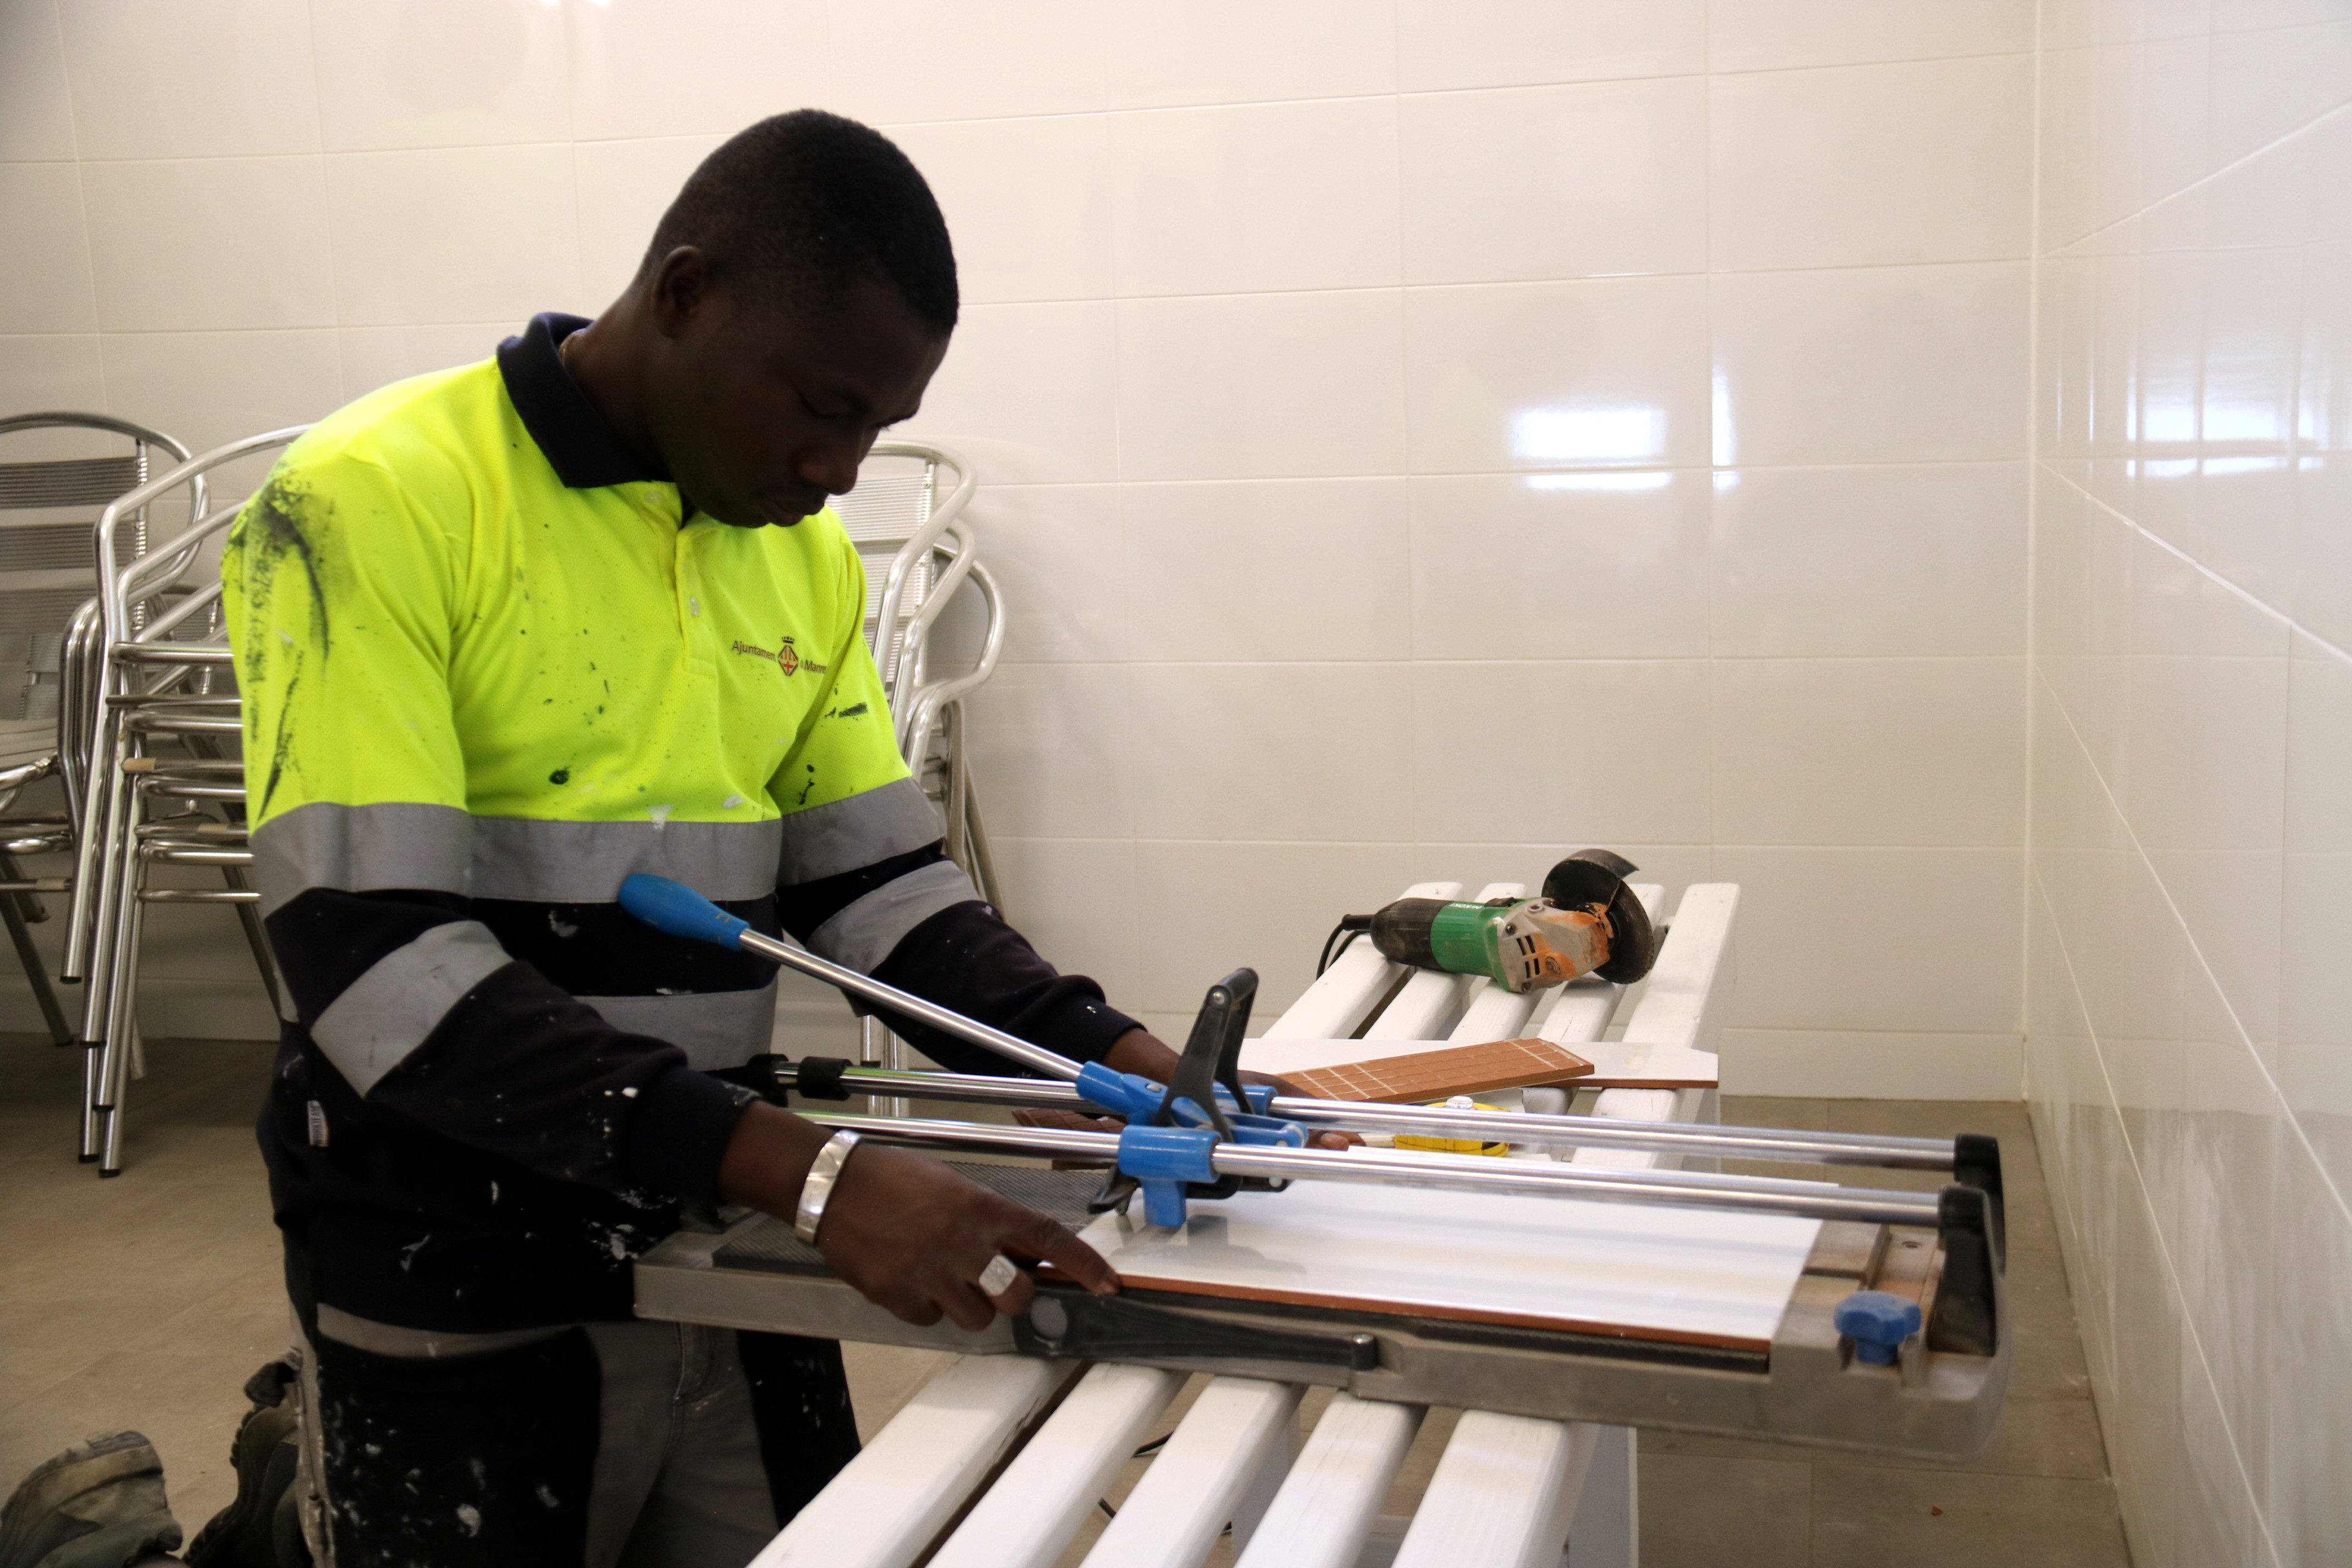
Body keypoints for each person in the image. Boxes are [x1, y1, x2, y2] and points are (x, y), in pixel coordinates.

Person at [173, 108, 1306, 1568]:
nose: (840, 468)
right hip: (455, 1247)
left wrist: (1105, 1058)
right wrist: (815, 1175)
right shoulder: (369, 504)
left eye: (877, 430)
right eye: (819, 406)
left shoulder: (797, 554)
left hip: (708, 1223)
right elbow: (378, 968)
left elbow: (877, 888)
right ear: (688, 292)